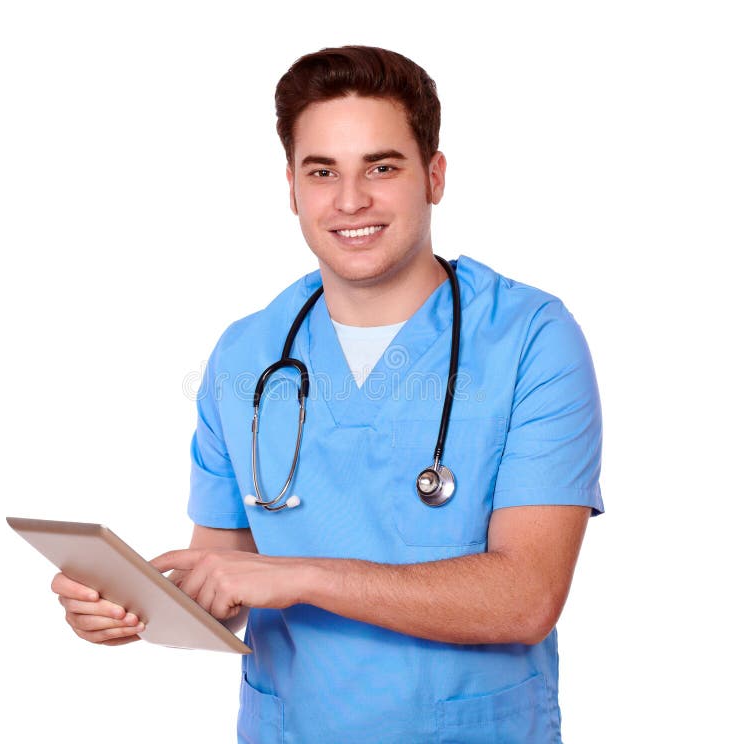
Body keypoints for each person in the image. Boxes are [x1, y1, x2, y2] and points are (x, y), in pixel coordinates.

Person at [52, 45, 603, 742]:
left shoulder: (531, 339)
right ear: (291, 186)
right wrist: (133, 605)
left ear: (434, 175)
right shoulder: (247, 354)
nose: (350, 201)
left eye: (382, 166)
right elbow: (224, 578)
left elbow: (527, 599)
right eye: (322, 172)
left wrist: (302, 575)